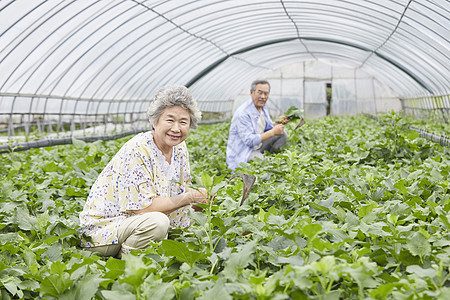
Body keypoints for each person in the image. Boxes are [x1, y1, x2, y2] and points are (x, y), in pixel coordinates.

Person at [79, 85, 209, 258]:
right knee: (158, 223)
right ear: (155, 121)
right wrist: (188, 197)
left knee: (199, 216)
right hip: (104, 232)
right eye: (170, 120)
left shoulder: (180, 148)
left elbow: (178, 190)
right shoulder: (138, 148)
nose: (176, 128)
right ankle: (125, 257)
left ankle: (145, 249)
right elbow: (144, 209)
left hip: (136, 225)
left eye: (183, 122)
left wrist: (198, 198)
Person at [226, 79, 288, 170]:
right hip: (244, 152)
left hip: (258, 146)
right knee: (261, 161)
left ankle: (270, 157)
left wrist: (277, 123)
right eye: (260, 93)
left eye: (266, 93)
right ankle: (263, 160)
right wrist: (273, 132)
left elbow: (267, 127)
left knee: (282, 134)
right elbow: (249, 141)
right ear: (252, 92)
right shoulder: (243, 113)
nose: (263, 96)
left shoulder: (262, 107)